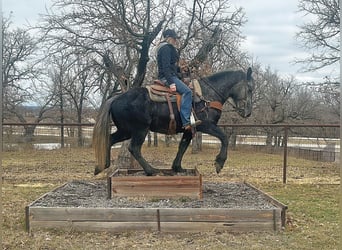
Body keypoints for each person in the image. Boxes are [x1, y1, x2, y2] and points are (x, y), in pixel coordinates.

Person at [157, 29, 201, 131]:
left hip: (172, 76)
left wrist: (182, 72)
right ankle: (186, 122)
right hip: (167, 77)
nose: (175, 41)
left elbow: (173, 67)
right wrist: (171, 82)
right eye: (174, 39)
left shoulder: (167, 48)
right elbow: (166, 68)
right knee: (187, 92)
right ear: (169, 38)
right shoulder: (166, 48)